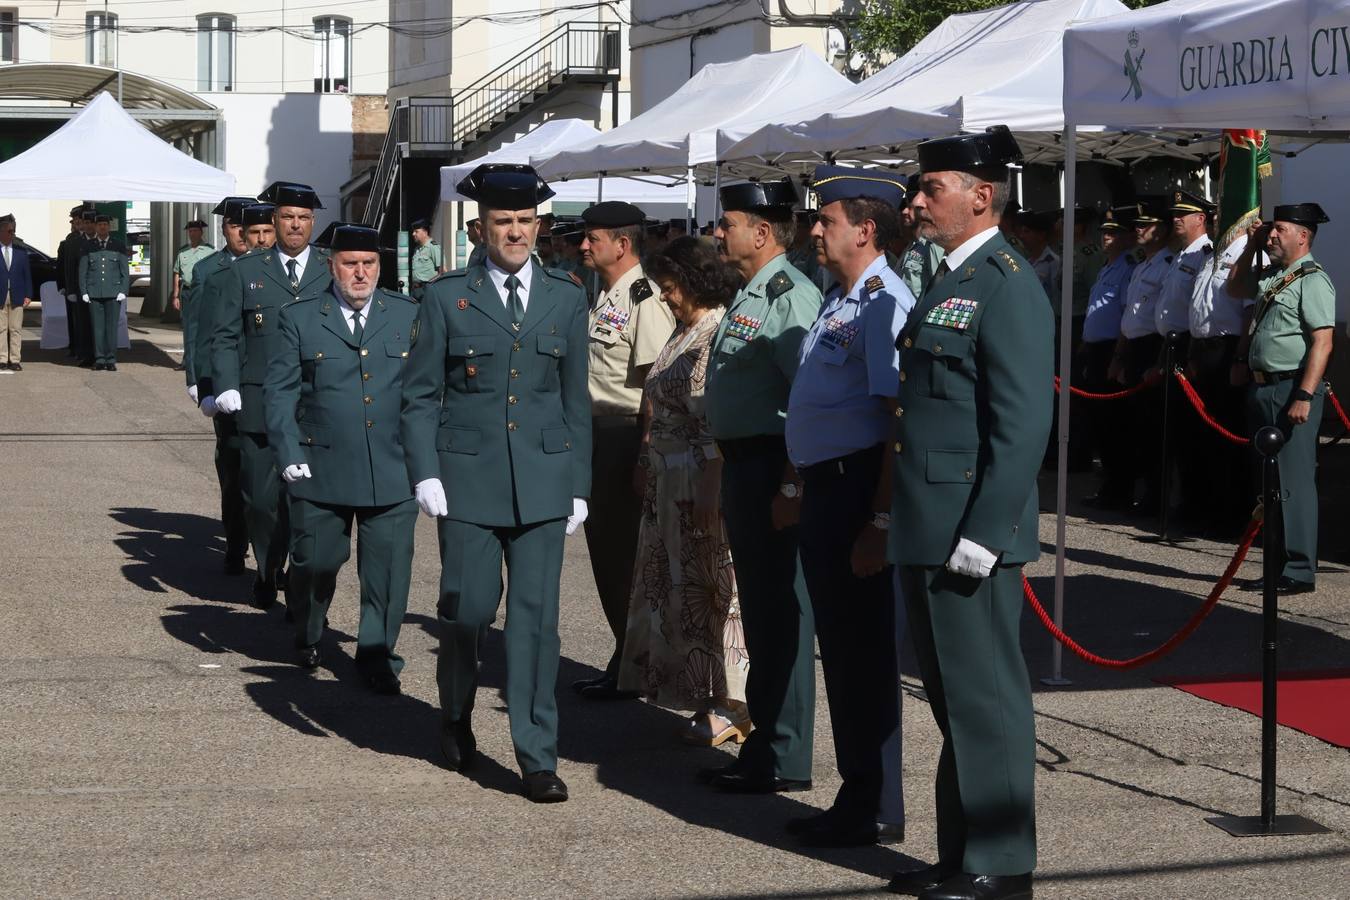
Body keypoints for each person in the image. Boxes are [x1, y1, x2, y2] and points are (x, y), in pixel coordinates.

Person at [886, 126, 1049, 900]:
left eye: (930, 189)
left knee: (986, 699)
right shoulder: (948, 278)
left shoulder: (1007, 281)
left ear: (981, 195)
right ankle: (962, 853)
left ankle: (1002, 862)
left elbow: (1020, 426)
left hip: (970, 528)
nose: (915, 202)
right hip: (929, 520)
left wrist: (987, 531)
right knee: (955, 699)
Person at [400, 163, 591, 804]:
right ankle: (454, 712)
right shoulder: (447, 295)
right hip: (468, 480)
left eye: (526, 221)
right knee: (468, 610)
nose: (517, 232)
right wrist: (424, 471)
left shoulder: (566, 296)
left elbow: (574, 401)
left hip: (542, 481)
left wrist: (579, 483)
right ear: (480, 228)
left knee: (536, 624)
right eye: (504, 222)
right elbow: (421, 394)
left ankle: (537, 755)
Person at [785, 165, 914, 848]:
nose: (814, 229)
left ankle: (874, 803)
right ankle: (861, 793)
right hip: (828, 488)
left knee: (862, 655)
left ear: (864, 230)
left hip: (859, 490)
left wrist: (881, 520)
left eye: (825, 219)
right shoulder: (841, 298)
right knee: (841, 650)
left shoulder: (882, 303)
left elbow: (896, 417)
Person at [701, 179, 820, 795]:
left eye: (729, 223)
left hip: (773, 467)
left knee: (779, 614)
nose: (719, 233)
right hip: (746, 465)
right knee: (765, 615)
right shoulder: (755, 291)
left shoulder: (789, 295)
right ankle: (767, 745)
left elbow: (807, 399)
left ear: (763, 231)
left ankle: (784, 753)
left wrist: (792, 487)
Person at [264, 224, 419, 686]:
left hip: (392, 468)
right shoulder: (300, 317)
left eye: (368, 264)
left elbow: (427, 392)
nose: (360, 273)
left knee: (388, 574)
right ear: (331, 266)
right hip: (320, 466)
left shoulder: (407, 314)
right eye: (350, 264)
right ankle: (309, 628)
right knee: (315, 561)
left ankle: (376, 657)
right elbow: (279, 392)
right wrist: (287, 448)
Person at [618, 235, 750, 745]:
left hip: (698, 481)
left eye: (671, 287)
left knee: (712, 591)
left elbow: (712, 422)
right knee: (676, 588)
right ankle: (702, 692)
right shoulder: (682, 328)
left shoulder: (714, 332)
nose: (665, 297)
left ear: (695, 282)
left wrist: (710, 493)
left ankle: (732, 702)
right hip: (668, 482)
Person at [572, 200, 676, 701]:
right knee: (607, 557)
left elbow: (655, 383)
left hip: (624, 435)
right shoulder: (608, 294)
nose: (583, 245)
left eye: (593, 238)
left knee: (622, 557)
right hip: (599, 434)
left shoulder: (644, 298)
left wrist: (643, 455)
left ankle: (636, 662)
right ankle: (626, 656)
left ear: (623, 243)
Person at [211, 182, 332, 611]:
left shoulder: (330, 267)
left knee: (307, 502)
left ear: (312, 223)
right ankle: (266, 566)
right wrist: (225, 385)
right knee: (261, 501)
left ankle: (296, 575)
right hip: (259, 403)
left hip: (315, 404)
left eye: (303, 218)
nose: (295, 225)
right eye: (286, 217)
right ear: (274, 221)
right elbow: (225, 336)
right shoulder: (245, 272)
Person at [1229, 204, 1335, 595]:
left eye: (1279, 230)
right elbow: (1235, 289)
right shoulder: (1274, 275)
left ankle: (1300, 568)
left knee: (1293, 482)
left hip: (1291, 388)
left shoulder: (1313, 279)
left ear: (1302, 236)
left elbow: (1323, 342)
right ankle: (1274, 564)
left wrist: (1305, 395)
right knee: (1267, 484)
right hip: (1262, 387)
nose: (1272, 235)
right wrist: (1251, 246)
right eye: (1271, 230)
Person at [1186, 198, 1261, 538]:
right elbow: (1198, 307)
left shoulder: (1250, 255)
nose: (1218, 219)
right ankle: (1210, 507)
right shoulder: (1213, 255)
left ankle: (1232, 515)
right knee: (1204, 436)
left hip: (1227, 349)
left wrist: (1240, 358)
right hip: (1203, 349)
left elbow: (1249, 314)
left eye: (1224, 213)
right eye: (1216, 214)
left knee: (1227, 434)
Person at [189, 197, 255, 576]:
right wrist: (200, 381)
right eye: (234, 227)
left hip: (264, 382)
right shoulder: (209, 270)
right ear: (225, 229)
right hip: (225, 383)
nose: (243, 235)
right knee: (233, 467)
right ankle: (235, 540)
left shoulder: (271, 268)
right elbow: (199, 329)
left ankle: (269, 549)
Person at [1108, 198, 1174, 515]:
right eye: (1137, 225)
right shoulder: (1140, 264)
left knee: (1153, 430)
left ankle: (1156, 498)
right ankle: (1141, 493)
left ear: (1160, 231)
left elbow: (1165, 317)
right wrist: (1119, 356)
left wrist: (1157, 361)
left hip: (1153, 347)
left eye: (1145, 225)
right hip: (1134, 348)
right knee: (1134, 428)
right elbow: (1129, 316)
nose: (1138, 230)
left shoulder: (1168, 264)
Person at [1152, 190, 1213, 526]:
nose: (1175, 219)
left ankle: (1193, 505)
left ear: (1200, 219)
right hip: (1169, 344)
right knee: (1172, 431)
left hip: (1189, 345)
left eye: (1183, 214)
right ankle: (1178, 501)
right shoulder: (1180, 255)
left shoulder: (1205, 254)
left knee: (1190, 434)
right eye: (1173, 214)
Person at [1078, 205, 1137, 509]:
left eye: (1114, 233)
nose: (1107, 238)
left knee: (1114, 424)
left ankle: (1120, 488)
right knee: (1100, 423)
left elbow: (1126, 314)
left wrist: (1119, 356)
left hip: (1112, 350)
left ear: (1128, 237)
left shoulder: (1128, 267)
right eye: (1104, 232)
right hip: (1097, 350)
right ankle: (1111, 485)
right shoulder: (1106, 267)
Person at [79, 214, 130, 372]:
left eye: (105, 224)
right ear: (95, 227)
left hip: (113, 292)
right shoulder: (89, 246)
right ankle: (100, 358)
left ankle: (111, 358)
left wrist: (123, 290)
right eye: (99, 224)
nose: (102, 227)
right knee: (97, 328)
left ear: (109, 227)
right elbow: (83, 271)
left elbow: (124, 271)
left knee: (111, 328)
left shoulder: (118, 245)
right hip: (94, 292)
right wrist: (84, 291)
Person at [890, 175, 944, 300]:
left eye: (910, 207)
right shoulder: (913, 244)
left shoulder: (932, 244)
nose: (904, 212)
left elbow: (936, 290)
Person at [0, 214, 33, 373]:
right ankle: (2, 359)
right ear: (1, 232)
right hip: (0, 294)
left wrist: (29, 294)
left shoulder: (20, 251)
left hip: (17, 294)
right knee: (1, 328)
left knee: (15, 328)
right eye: (10, 231)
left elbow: (27, 274)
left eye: (13, 231)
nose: (12, 234)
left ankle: (15, 360)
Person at [55, 206, 84, 359]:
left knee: (84, 320)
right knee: (73, 319)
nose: (75, 224)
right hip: (71, 286)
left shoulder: (89, 238)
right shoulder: (68, 240)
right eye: (74, 221)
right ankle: (74, 347)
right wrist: (62, 285)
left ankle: (84, 348)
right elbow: (61, 266)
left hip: (86, 287)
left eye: (78, 221)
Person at [409, 218, 444, 302]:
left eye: (416, 231)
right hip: (415, 290)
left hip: (427, 290)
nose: (413, 234)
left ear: (425, 232)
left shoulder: (433, 247)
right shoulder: (417, 249)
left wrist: (427, 286)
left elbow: (442, 272)